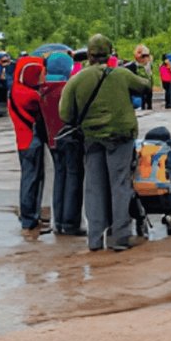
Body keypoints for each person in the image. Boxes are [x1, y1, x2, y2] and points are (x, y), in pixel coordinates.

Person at [58, 34, 147, 252]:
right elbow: (145, 86)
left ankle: (95, 239)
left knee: (94, 188)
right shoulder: (121, 75)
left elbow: (65, 114)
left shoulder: (77, 79)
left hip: (92, 139)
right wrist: (143, 64)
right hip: (121, 137)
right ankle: (119, 237)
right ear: (110, 54)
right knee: (119, 185)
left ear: (88, 54)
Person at [38, 52, 85, 236]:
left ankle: (58, 221)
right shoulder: (66, 88)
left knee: (59, 177)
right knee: (74, 178)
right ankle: (70, 222)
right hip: (71, 138)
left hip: (52, 139)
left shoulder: (43, 89)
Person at [9, 55, 49, 235]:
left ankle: (30, 214)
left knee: (29, 177)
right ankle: (29, 216)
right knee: (32, 179)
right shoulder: (31, 95)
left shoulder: (15, 90)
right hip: (32, 140)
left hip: (22, 141)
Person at [127, 45, 155, 111]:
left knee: (148, 98)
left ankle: (148, 107)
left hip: (147, 85)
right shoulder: (133, 66)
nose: (145, 58)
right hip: (140, 87)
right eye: (144, 56)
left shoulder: (149, 65)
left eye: (146, 56)